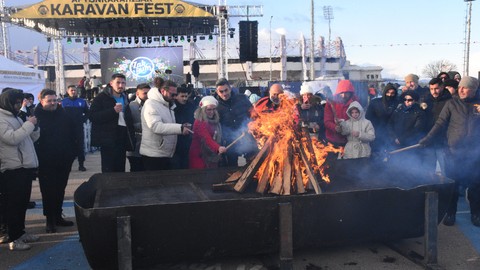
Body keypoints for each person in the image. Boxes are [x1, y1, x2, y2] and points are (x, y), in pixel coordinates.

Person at [419, 76, 480, 227]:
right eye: (460, 87)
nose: (461, 90)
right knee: (453, 184)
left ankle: (476, 213)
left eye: (465, 88)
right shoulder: (452, 103)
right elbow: (440, 123)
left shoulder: (478, 104)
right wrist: (428, 138)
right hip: (453, 152)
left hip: (474, 153)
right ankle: (450, 213)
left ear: (474, 90)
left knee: (475, 185)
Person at [0, 89, 40, 251]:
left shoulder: (16, 116)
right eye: (16, 103)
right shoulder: (2, 119)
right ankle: (13, 237)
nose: (18, 106)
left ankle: (20, 232)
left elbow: (30, 138)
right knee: (13, 205)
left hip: (24, 167)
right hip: (12, 168)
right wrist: (28, 124)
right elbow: (12, 138)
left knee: (23, 203)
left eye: (20, 103)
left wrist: (34, 127)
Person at [34, 89, 76, 233]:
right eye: (49, 101)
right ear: (41, 101)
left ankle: (58, 216)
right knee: (47, 191)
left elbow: (74, 134)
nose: (53, 103)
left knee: (60, 189)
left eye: (54, 100)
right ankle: (49, 219)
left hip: (64, 159)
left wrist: (73, 153)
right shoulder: (36, 117)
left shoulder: (63, 114)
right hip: (45, 161)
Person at [140, 80, 192, 171]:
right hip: (154, 155)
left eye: (176, 95)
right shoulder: (151, 104)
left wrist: (182, 126)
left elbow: (168, 124)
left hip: (164, 153)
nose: (174, 97)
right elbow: (156, 127)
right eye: (172, 95)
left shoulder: (167, 104)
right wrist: (180, 128)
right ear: (163, 91)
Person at [89, 73, 135, 172]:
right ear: (111, 83)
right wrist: (112, 111)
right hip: (108, 139)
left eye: (123, 83)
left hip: (122, 137)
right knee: (108, 169)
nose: (120, 85)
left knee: (120, 168)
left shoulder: (124, 97)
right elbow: (93, 116)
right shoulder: (101, 98)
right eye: (118, 82)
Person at [214, 78, 258, 167]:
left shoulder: (242, 98)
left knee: (253, 163)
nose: (224, 94)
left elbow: (253, 114)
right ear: (217, 92)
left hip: (247, 137)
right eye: (221, 91)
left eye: (226, 90)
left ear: (230, 88)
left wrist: (252, 124)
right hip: (230, 141)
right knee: (231, 167)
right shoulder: (216, 105)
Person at [387, 90, 426, 166]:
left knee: (409, 166)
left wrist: (402, 138)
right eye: (405, 99)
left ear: (414, 100)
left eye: (410, 100)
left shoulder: (419, 113)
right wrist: (394, 137)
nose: (407, 101)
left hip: (410, 145)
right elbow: (390, 124)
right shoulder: (398, 110)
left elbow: (417, 129)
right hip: (395, 143)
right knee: (394, 166)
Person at [423, 78, 452, 175]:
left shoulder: (450, 101)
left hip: (443, 141)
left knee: (446, 170)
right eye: (431, 89)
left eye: (436, 89)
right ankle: (430, 188)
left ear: (442, 87)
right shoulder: (426, 100)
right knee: (428, 170)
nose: (433, 92)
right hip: (429, 140)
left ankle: (446, 188)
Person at [189, 96, 227, 169]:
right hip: (200, 156)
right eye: (209, 110)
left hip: (212, 154)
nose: (212, 112)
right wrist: (218, 148)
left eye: (213, 109)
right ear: (203, 110)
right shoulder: (199, 121)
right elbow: (206, 138)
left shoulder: (215, 121)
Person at [365, 83, 399, 157]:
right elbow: (368, 118)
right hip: (377, 133)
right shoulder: (375, 102)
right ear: (384, 92)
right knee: (377, 155)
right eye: (388, 92)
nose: (389, 95)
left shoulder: (398, 103)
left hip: (392, 134)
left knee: (392, 156)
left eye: (392, 93)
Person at [61, 85, 89, 171]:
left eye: (74, 90)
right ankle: (67, 165)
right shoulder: (63, 102)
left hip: (78, 128)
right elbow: (59, 114)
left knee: (80, 146)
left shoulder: (82, 102)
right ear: (68, 91)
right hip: (67, 128)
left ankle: (81, 164)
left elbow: (88, 113)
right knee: (67, 146)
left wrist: (83, 119)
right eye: (71, 90)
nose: (73, 92)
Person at [324, 80, 359, 147]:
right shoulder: (330, 102)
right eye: (341, 93)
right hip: (333, 140)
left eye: (346, 93)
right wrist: (335, 127)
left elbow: (359, 119)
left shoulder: (355, 103)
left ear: (351, 93)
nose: (343, 96)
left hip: (350, 139)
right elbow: (327, 121)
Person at [126, 83, 150, 172]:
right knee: (136, 170)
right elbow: (128, 126)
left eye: (149, 93)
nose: (147, 95)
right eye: (145, 93)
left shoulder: (153, 105)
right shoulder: (130, 106)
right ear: (137, 93)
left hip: (149, 146)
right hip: (135, 145)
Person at [172, 86, 196, 169]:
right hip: (175, 141)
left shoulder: (190, 106)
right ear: (176, 96)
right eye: (182, 96)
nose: (184, 98)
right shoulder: (172, 108)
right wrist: (180, 126)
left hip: (188, 140)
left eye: (186, 96)